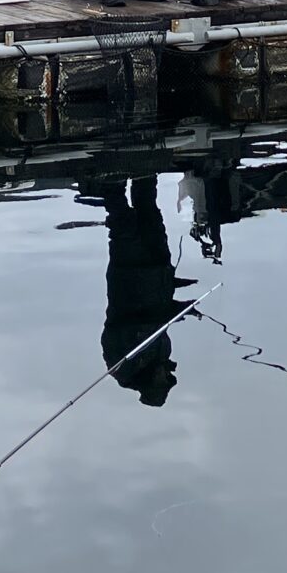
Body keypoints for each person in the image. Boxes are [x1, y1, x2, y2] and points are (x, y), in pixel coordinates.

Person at [93, 173, 181, 406]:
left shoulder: (120, 367)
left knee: (121, 220)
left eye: (165, 380)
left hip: (129, 274)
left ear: (151, 384)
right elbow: (161, 314)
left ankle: (111, 172)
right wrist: (178, 306)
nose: (168, 374)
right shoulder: (163, 355)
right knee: (149, 207)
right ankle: (146, 168)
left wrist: (155, 321)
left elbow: (114, 330)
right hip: (159, 268)